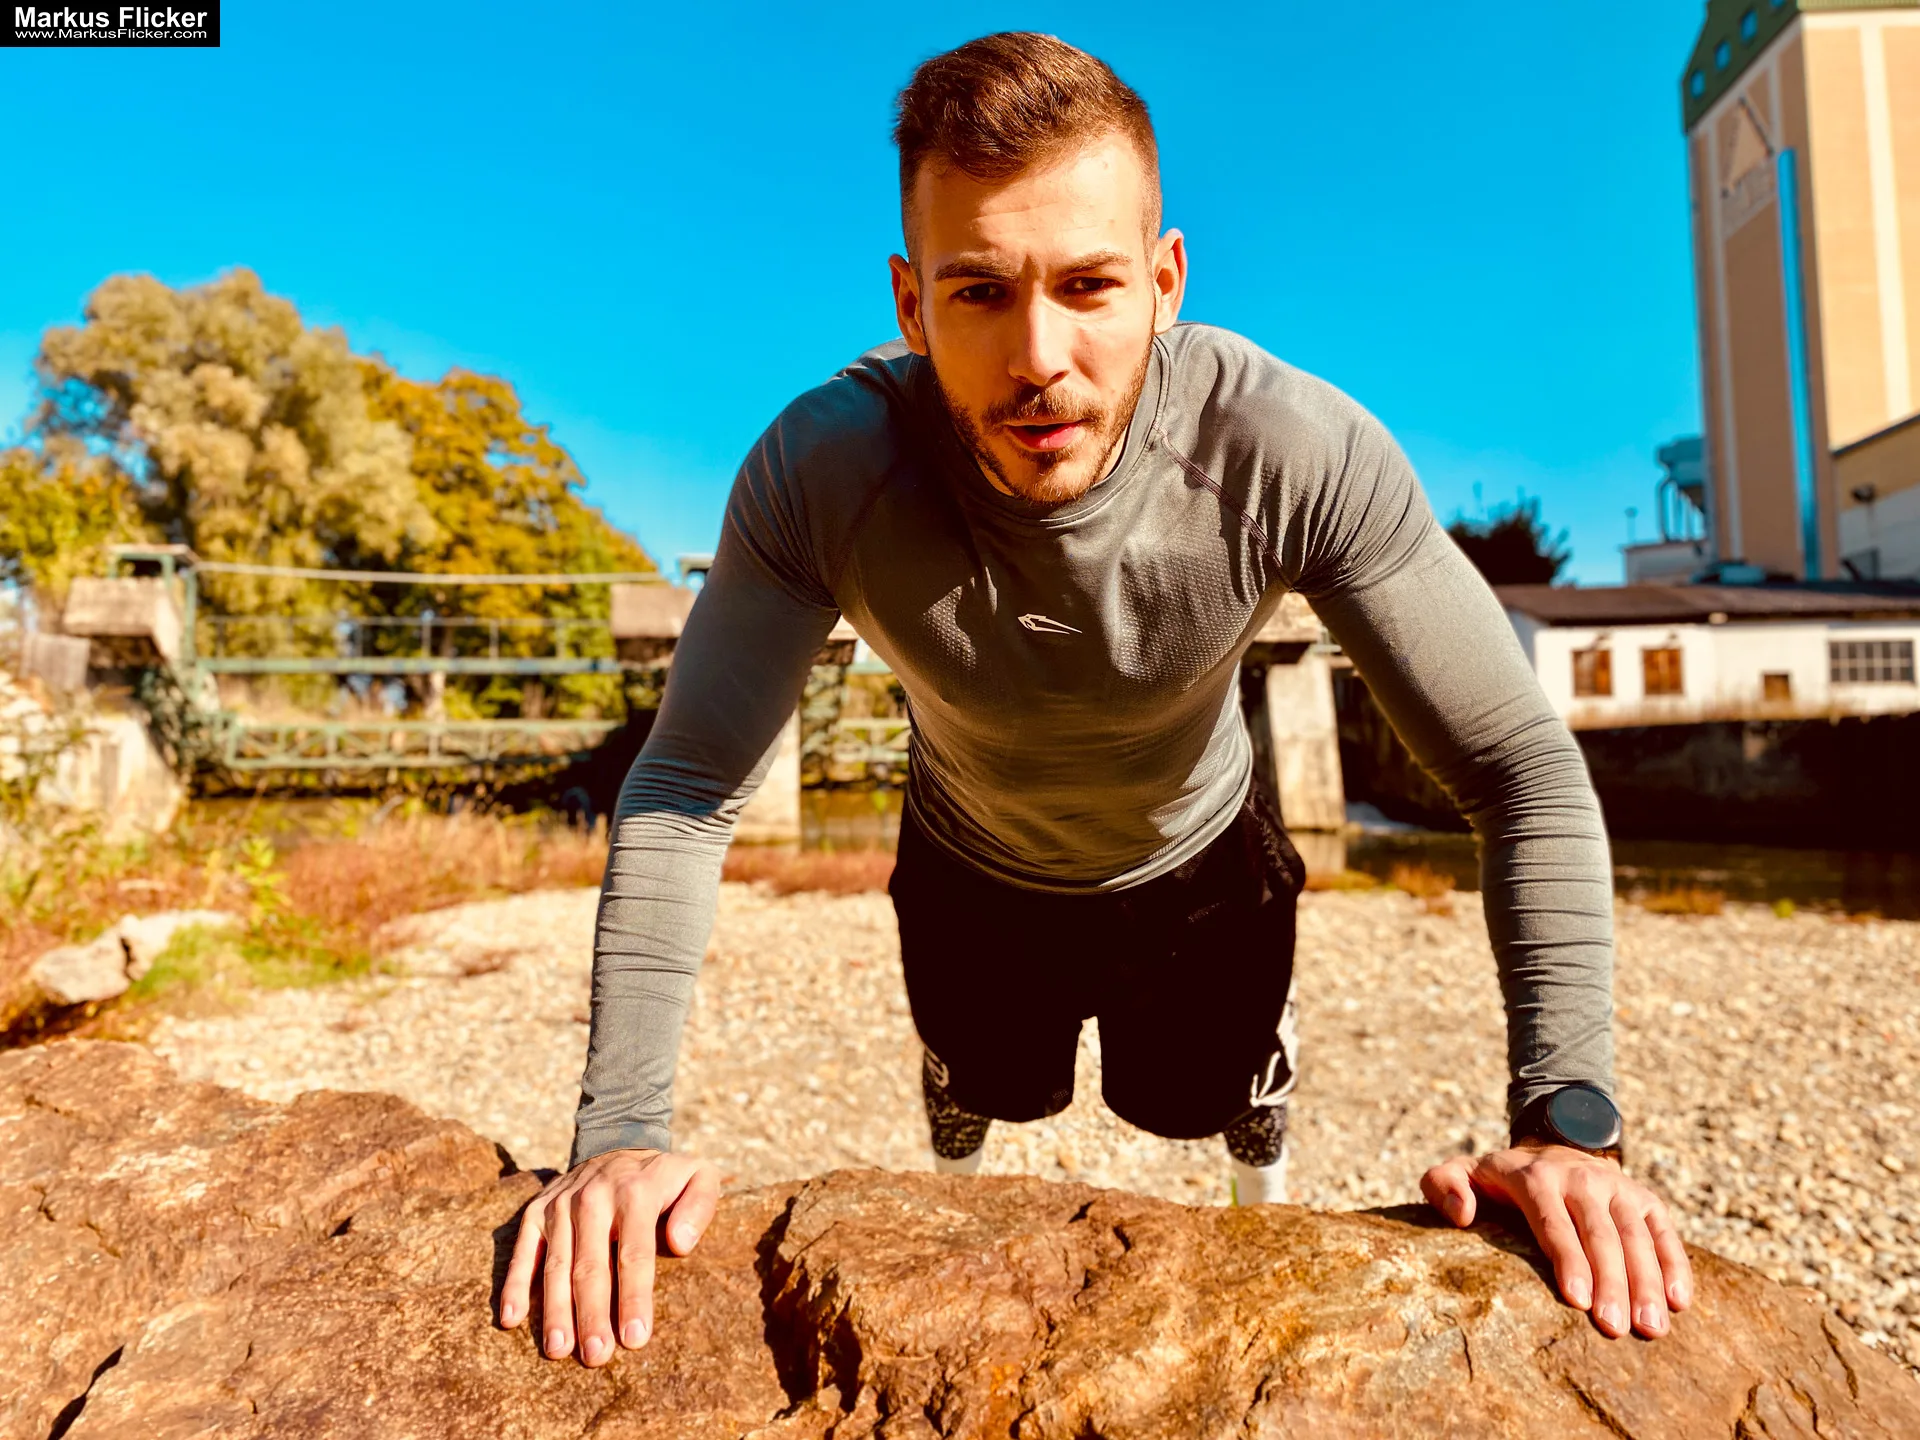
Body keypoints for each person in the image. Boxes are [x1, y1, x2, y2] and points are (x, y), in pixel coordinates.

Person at [499, 31, 1693, 1368]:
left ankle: (1257, 1093)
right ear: (909, 303)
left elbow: (1518, 765)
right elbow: (686, 785)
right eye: (979, 291)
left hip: (1203, 867)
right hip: (968, 866)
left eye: (1089, 284)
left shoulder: (1288, 449)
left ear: (1166, 280)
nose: (1040, 356)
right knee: (985, 1094)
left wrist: (1571, 1127)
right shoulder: (823, 473)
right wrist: (615, 1143)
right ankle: (964, 1082)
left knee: (1193, 1111)